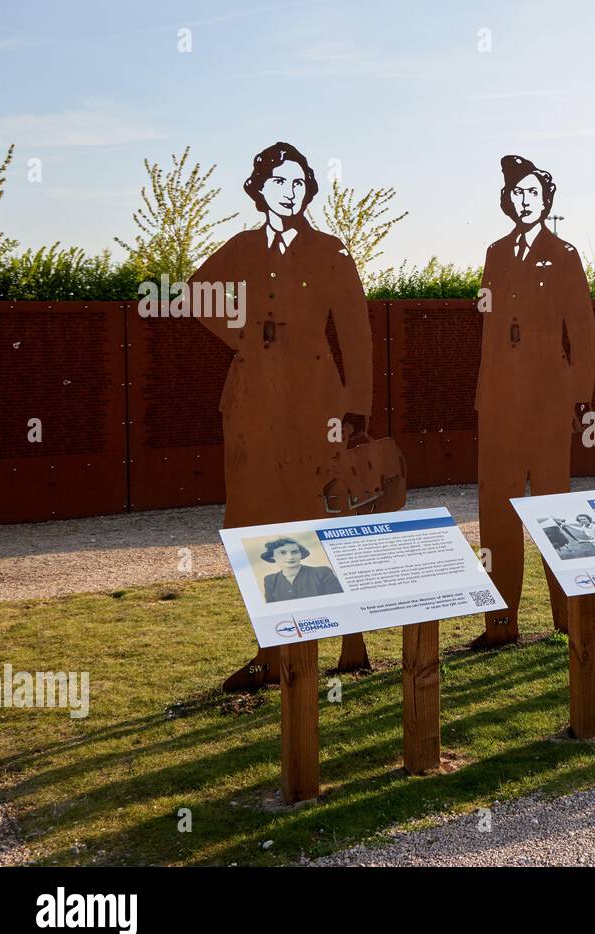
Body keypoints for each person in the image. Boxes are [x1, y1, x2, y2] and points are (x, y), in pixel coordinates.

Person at [190, 142, 375, 690]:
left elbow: (357, 333)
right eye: (278, 182)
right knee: (256, 520)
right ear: (258, 190)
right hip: (253, 401)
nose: (288, 192)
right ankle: (274, 650)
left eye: (298, 183)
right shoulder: (243, 247)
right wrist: (245, 336)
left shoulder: (330, 251)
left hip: (314, 401)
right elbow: (197, 293)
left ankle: (350, 645)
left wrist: (356, 409)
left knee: (323, 516)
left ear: (308, 190)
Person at [473, 155, 595, 647]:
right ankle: (500, 624)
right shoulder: (495, 253)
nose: (524, 201)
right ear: (508, 201)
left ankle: (567, 618)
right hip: (501, 402)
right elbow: (487, 329)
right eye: (516, 194)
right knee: (497, 512)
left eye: (533, 193)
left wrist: (579, 397)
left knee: (552, 510)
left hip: (547, 401)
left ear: (546, 200)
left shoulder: (564, 254)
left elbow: (582, 331)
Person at [260, 537, 343, 602]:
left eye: (295, 552)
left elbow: (338, 600)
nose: (290, 557)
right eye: (282, 552)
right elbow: (272, 607)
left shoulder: (322, 572)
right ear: (272, 556)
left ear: (300, 554)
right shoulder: (270, 580)